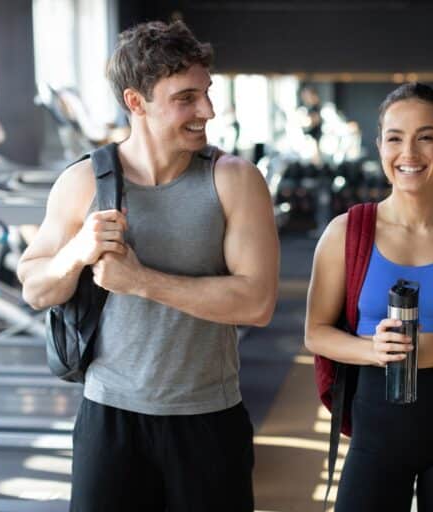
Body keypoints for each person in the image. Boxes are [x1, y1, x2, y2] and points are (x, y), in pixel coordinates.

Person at [17, 19, 279, 512]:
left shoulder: (233, 180)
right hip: (109, 417)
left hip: (209, 417)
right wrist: (76, 252)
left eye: (206, 92)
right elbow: (35, 289)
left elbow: (258, 303)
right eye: (186, 98)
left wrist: (140, 281)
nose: (207, 110)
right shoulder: (82, 182)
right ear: (136, 102)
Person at [304, 82, 433, 511]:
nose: (410, 153)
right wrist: (370, 349)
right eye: (396, 138)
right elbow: (316, 334)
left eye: (426, 137)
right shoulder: (346, 233)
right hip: (378, 424)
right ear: (379, 145)